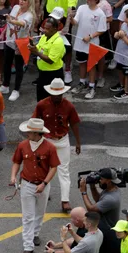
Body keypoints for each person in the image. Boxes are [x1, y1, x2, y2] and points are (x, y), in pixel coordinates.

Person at [10, 118, 60, 253]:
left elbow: (54, 167)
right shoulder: (22, 145)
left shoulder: (50, 148)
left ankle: (35, 234)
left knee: (40, 212)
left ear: (37, 133)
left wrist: (44, 183)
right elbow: (16, 162)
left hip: (43, 185)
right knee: (27, 217)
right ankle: (28, 245)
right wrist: (13, 176)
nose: (27, 134)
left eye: (29, 132)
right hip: (27, 184)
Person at [32, 78, 81, 213]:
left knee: (63, 171)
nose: (58, 96)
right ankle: (43, 192)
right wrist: (34, 140)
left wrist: (78, 142)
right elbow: (35, 122)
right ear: (51, 93)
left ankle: (65, 200)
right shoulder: (42, 105)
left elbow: (75, 123)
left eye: (60, 94)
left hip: (63, 140)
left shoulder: (69, 106)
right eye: (55, 93)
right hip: (47, 140)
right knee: (44, 168)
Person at [80, 168, 122, 253]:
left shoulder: (112, 198)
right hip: (106, 231)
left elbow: (92, 209)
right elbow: (99, 200)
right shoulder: (110, 191)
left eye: (102, 179)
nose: (100, 181)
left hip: (107, 236)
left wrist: (83, 192)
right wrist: (92, 187)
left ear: (109, 181)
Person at [68, 0, 107, 99]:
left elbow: (102, 30)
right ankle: (82, 83)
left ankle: (91, 86)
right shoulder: (81, 8)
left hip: (93, 44)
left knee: (92, 66)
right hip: (80, 43)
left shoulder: (100, 13)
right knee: (82, 63)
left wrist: (90, 36)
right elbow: (75, 22)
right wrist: (71, 17)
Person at [0, 0, 34, 101]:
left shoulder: (29, 15)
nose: (22, 2)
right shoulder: (15, 8)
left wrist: (11, 20)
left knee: (19, 67)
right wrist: (3, 33)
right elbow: (8, 23)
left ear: (29, 3)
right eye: (21, 0)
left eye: (25, 0)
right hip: (9, 40)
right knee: (7, 64)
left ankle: (16, 90)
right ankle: (5, 86)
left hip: (20, 44)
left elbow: (22, 23)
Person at [29, 17, 66, 101]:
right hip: (42, 73)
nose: (44, 30)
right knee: (41, 100)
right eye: (44, 28)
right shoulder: (44, 37)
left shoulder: (58, 41)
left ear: (55, 29)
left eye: (48, 29)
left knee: (53, 101)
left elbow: (50, 60)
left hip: (53, 75)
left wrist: (37, 52)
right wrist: (33, 47)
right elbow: (38, 48)